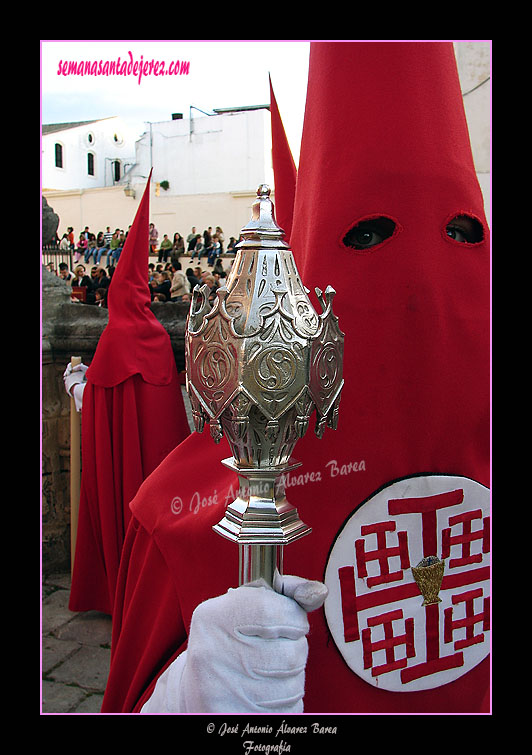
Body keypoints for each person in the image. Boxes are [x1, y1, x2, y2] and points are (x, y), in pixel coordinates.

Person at [101, 42, 489, 716]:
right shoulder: (193, 516)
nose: (423, 279)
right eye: (369, 234)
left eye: (462, 232)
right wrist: (190, 695)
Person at [64, 174, 191, 617]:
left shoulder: (114, 339)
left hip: (125, 465)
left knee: (116, 502)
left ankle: (116, 587)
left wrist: (76, 383)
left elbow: (95, 401)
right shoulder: (155, 337)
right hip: (159, 467)